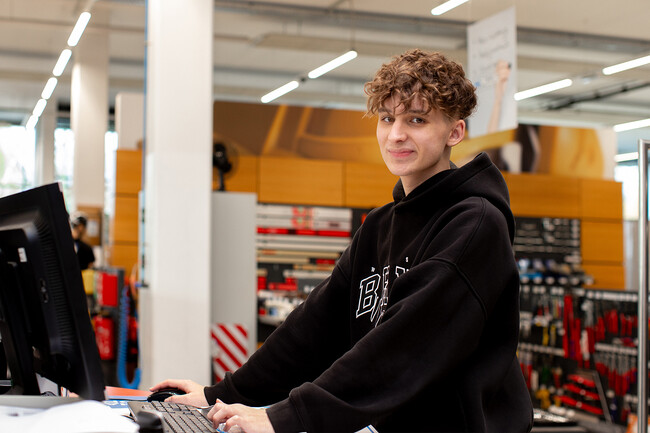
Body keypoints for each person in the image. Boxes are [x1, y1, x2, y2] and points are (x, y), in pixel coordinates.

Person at [152, 49, 533, 432]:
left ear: (455, 132)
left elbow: (401, 347)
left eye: (417, 120)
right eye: (387, 118)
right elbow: (313, 328)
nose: (396, 134)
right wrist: (221, 394)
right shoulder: (380, 225)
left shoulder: (474, 225)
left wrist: (285, 417)